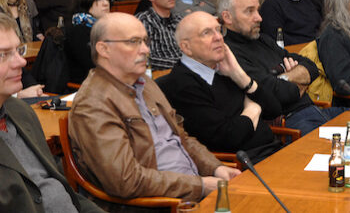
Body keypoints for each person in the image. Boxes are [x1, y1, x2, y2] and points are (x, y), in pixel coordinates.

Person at [68, 13, 240, 204]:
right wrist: (200, 186)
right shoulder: (93, 104)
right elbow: (125, 181)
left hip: (193, 192)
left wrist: (216, 168)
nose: (145, 50)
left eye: (144, 41)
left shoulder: (146, 83)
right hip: (158, 205)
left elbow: (181, 138)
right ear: (104, 49)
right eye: (134, 42)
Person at [0, 13, 103, 212]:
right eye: (3, 54)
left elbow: (62, 189)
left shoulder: (21, 111)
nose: (21, 62)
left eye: (18, 50)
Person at [219, 0, 344, 135]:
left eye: (257, 11)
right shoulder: (228, 53)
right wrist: (295, 80)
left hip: (316, 110)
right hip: (290, 123)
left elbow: (311, 66)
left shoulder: (263, 39)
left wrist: (282, 78)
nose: (259, 18)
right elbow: (270, 92)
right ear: (227, 17)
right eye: (249, 11)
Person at [159, 12, 281, 162]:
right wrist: (253, 108)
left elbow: (274, 109)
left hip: (274, 151)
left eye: (218, 30)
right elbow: (229, 137)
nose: (218, 37)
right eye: (206, 33)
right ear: (186, 47)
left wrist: (240, 76)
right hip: (245, 164)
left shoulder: (224, 67)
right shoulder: (182, 84)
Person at [65, 0, 112, 83]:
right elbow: (92, 66)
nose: (105, 3)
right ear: (85, 1)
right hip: (89, 85)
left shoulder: (104, 26)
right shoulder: (79, 29)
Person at [136, 0, 183, 70]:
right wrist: (183, 65)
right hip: (160, 77)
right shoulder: (143, 21)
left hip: (183, 73)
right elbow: (148, 59)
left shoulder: (179, 20)